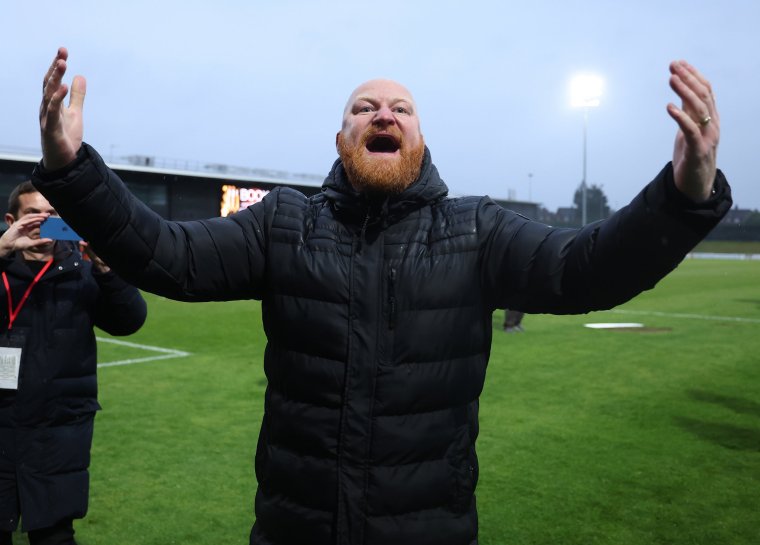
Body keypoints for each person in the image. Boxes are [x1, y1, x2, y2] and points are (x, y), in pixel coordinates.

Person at [33, 47, 730, 545]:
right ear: (341, 138)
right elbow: (168, 255)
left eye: (401, 108)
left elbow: (587, 269)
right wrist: (72, 172)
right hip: (293, 528)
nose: (383, 114)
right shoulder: (285, 224)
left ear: (421, 140)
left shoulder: (475, 230)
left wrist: (682, 197)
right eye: (365, 107)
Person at [0, 181, 147, 545]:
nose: (44, 221)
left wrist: (107, 270)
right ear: (11, 220)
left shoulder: (81, 268)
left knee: (54, 532)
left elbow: (128, 321)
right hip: (2, 421)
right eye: (34, 214)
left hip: (60, 426)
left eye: (52, 214)